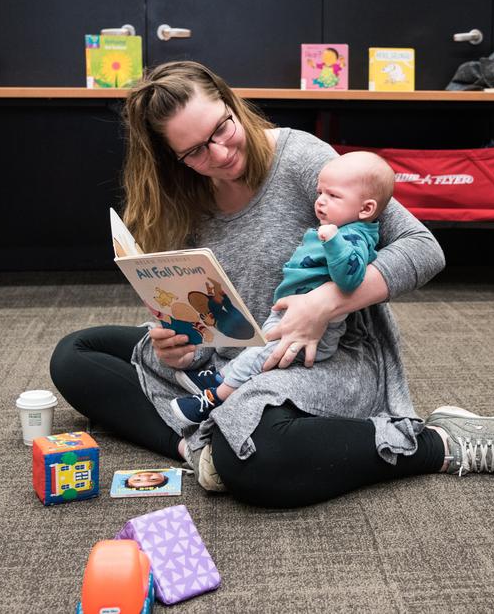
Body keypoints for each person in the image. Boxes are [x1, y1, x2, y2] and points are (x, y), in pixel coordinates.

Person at [50, 60, 494, 508]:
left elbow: (423, 247)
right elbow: (202, 304)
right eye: (196, 151)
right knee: (76, 354)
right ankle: (198, 446)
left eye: (222, 127)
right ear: (172, 158)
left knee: (256, 460)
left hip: (332, 356)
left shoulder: (298, 158)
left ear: (231, 102)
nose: (221, 153)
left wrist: (327, 302)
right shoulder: (185, 194)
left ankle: (436, 443)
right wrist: (177, 344)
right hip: (234, 355)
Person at [168, 150, 394, 427]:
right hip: (290, 315)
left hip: (316, 332)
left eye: (333, 196)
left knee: (259, 357)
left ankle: (215, 398)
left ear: (366, 209)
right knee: (255, 352)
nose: (320, 201)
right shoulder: (338, 226)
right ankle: (222, 376)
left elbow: (350, 279)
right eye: (320, 192)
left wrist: (333, 241)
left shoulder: (354, 236)